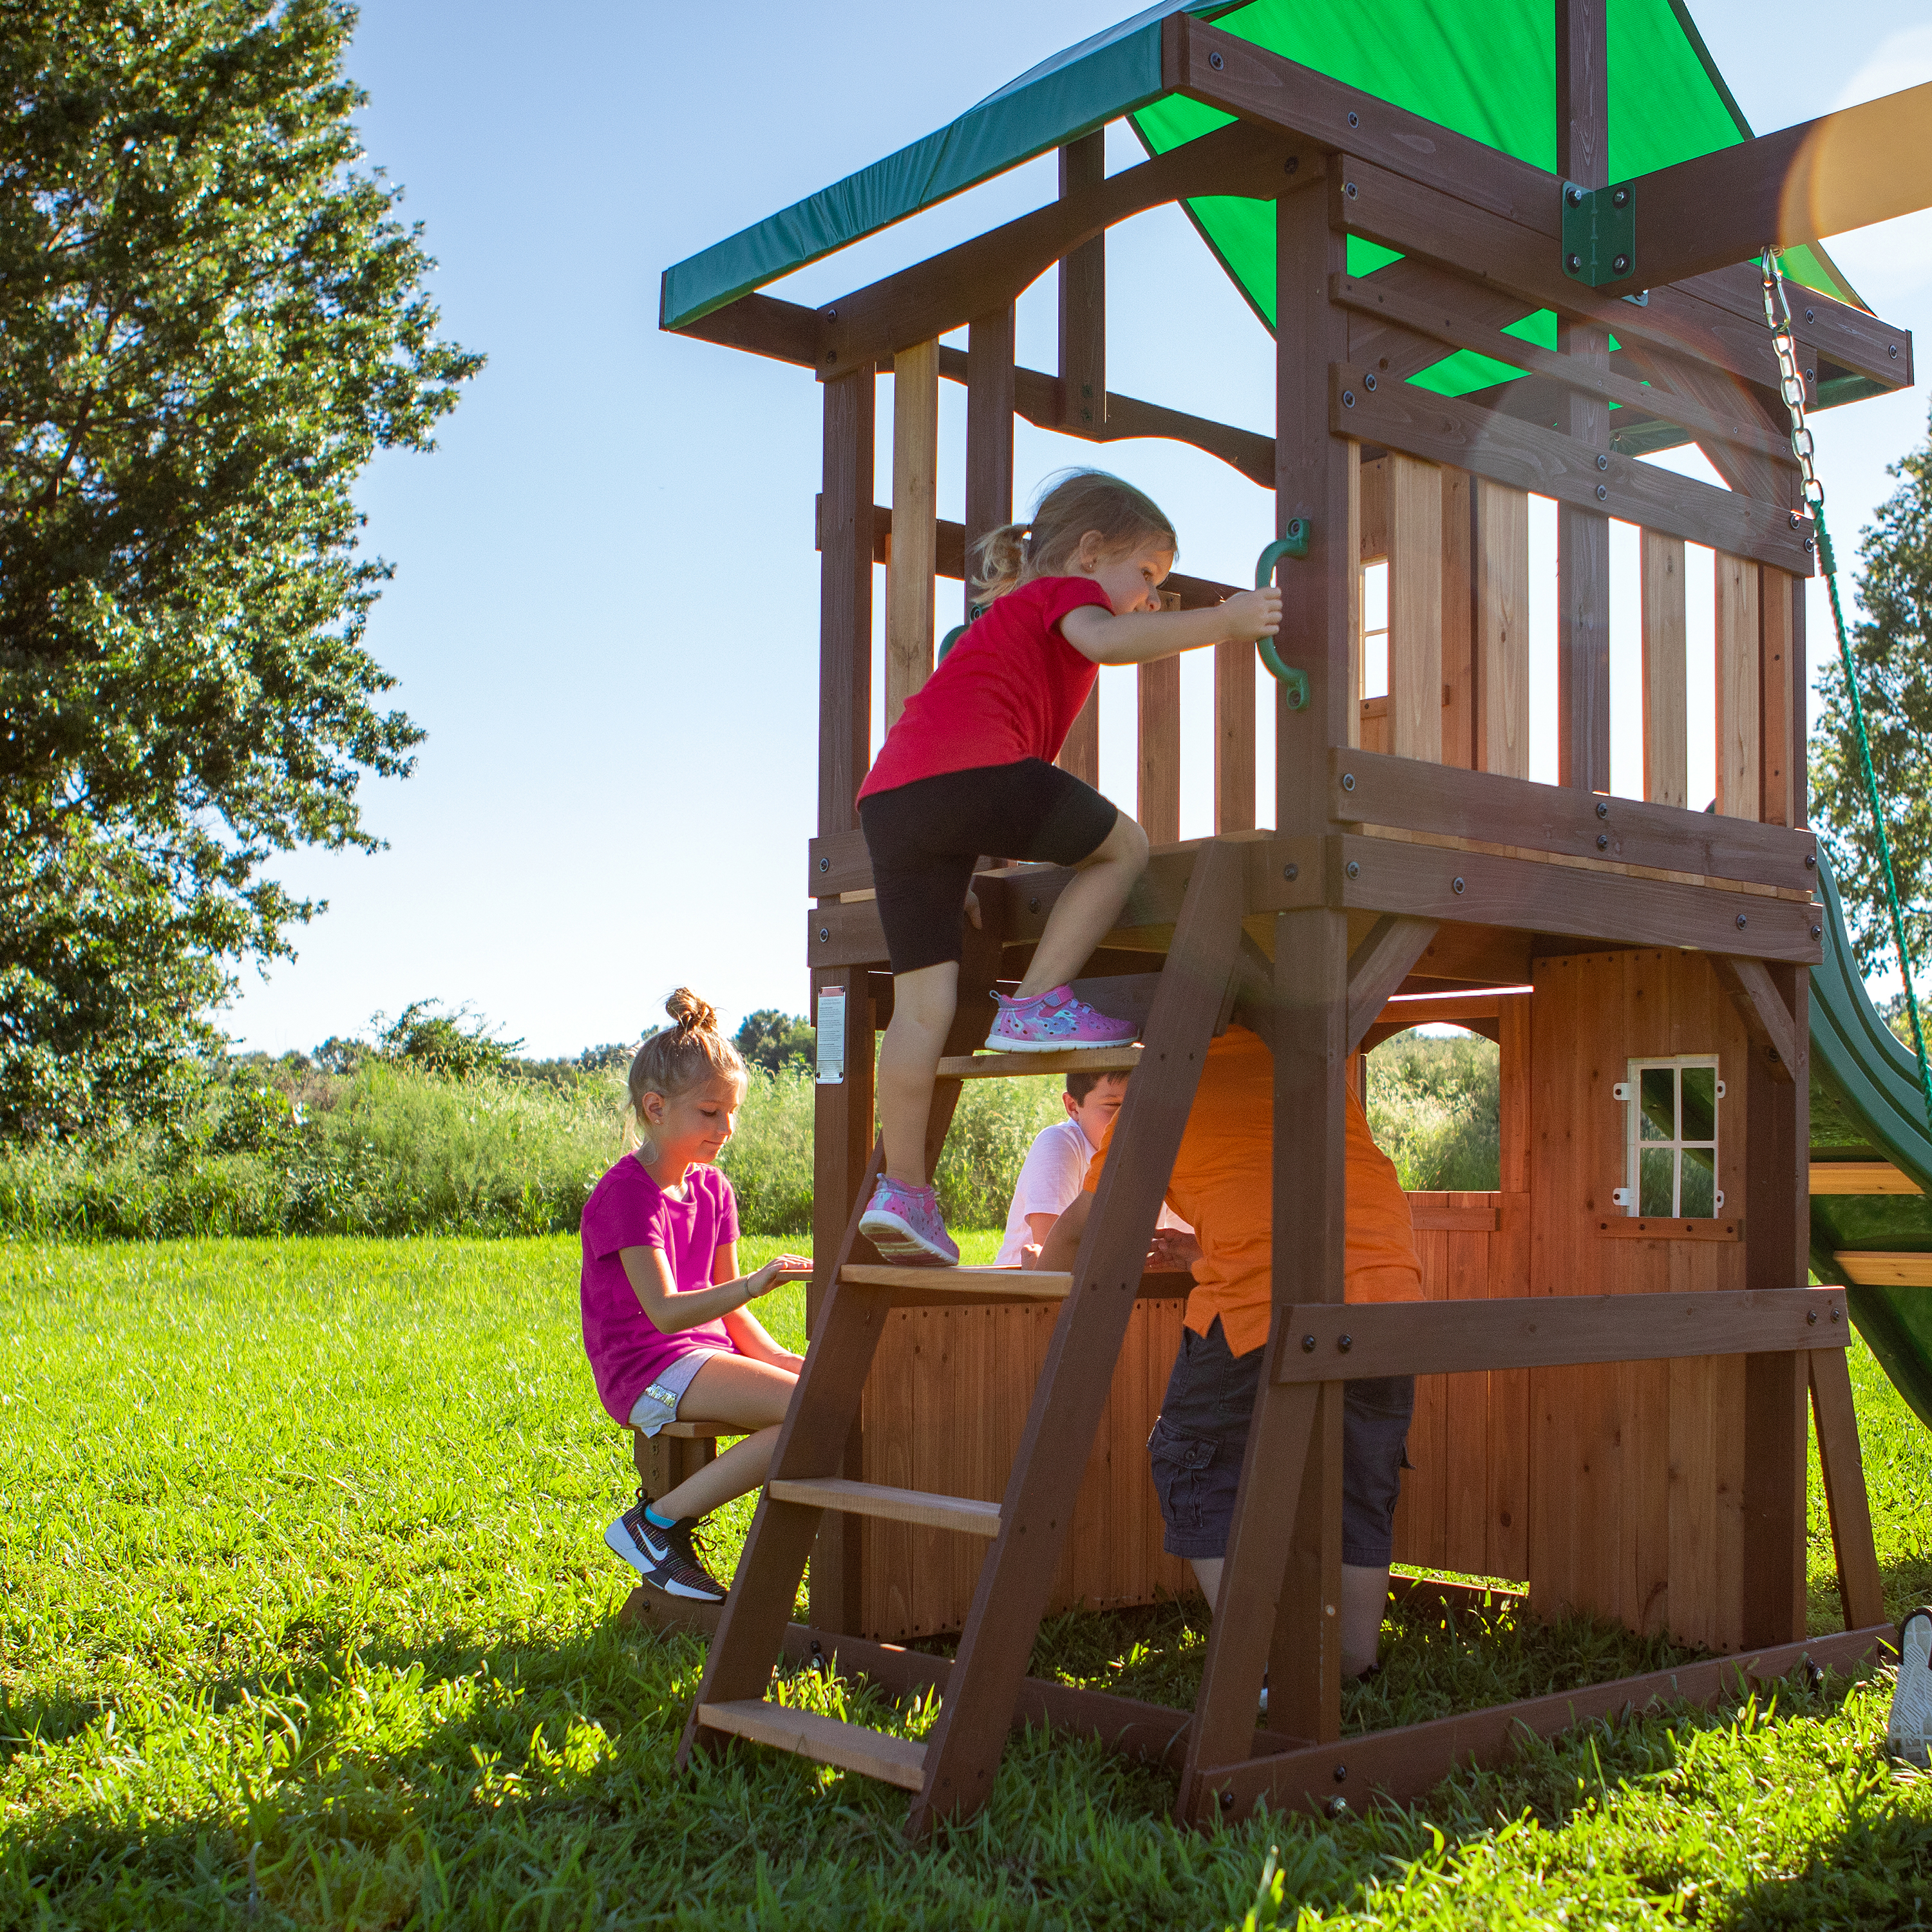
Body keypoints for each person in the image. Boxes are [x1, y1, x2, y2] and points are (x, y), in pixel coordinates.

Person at [855, 469, 1282, 1268]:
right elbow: (1108, 643)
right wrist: (1225, 622)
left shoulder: (1005, 619)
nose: (1151, 598)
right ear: (1089, 551)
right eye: (1147, 576)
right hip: (974, 775)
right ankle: (1036, 1003)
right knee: (1124, 846)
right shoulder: (1059, 598)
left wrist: (965, 866)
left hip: (895, 802)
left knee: (922, 1008)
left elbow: (953, 741)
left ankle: (903, 1191)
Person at [1039, 1025, 1421, 1680]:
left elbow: (1083, 1228)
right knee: (1359, 1475)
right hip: (1389, 1296)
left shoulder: (1162, 1086)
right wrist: (1208, 1249)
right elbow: (1276, 1181)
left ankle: (1270, 1665)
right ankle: (1354, 1663)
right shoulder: (1303, 1050)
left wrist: (1033, 1288)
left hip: (1261, 1307)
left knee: (1191, 1460)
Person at [584, 990, 810, 1604]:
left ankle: (668, 1530)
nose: (726, 1128)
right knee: (807, 1416)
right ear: (656, 1108)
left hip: (700, 1359)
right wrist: (752, 1282)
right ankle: (654, 1526)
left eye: (731, 1112)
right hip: (646, 1367)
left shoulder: (713, 1190)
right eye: (710, 1112)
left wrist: (787, 1360)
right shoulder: (627, 1195)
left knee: (816, 1400)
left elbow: (732, 1316)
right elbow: (664, 1313)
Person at [994, 1068, 1192, 1269]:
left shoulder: (1159, 1152)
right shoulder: (1060, 1144)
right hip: (1020, 1293)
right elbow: (1052, 1260)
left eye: (1142, 1107)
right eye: (1114, 1106)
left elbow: (1179, 1250)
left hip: (1112, 1286)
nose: (1130, 1121)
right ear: (1073, 1107)